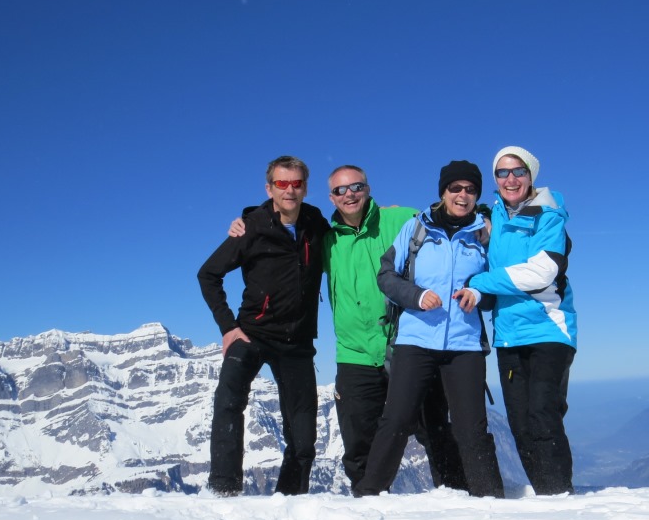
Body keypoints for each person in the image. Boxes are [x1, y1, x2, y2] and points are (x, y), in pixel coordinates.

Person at [229, 165, 467, 493]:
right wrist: (250, 217)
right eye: (340, 190)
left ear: (367, 189)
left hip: (406, 346)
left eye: (356, 187)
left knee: (433, 430)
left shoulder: (400, 221)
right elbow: (287, 227)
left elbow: (447, 212)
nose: (349, 195)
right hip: (354, 355)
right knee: (358, 448)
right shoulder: (325, 240)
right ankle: (367, 512)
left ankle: (458, 501)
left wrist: (482, 215)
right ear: (331, 198)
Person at [355, 160, 504, 498]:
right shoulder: (416, 228)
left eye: (470, 190)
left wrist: (478, 293)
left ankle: (491, 501)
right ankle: (369, 494)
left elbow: (495, 289)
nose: (462, 195)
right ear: (442, 192)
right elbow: (386, 276)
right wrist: (417, 295)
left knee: (472, 428)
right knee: (396, 420)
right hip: (415, 341)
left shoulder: (485, 235)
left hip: (464, 345)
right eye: (455, 188)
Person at [197, 155, 330, 496]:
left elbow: (349, 234)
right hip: (252, 333)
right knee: (227, 401)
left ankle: (290, 498)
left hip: (297, 341)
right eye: (282, 184)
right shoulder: (252, 227)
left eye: (296, 184)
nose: (290, 190)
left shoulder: (316, 223)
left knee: (303, 434)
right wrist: (228, 327)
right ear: (269, 188)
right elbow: (208, 274)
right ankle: (224, 490)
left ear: (305, 187)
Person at [468, 146, 578, 495]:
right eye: (502, 173)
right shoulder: (493, 216)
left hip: (548, 328)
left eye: (518, 171)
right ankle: (548, 494)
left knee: (543, 415)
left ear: (531, 176)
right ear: (495, 180)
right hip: (508, 336)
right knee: (520, 423)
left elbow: (542, 271)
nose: (510, 178)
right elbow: (451, 209)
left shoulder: (548, 215)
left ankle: (560, 495)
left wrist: (481, 283)